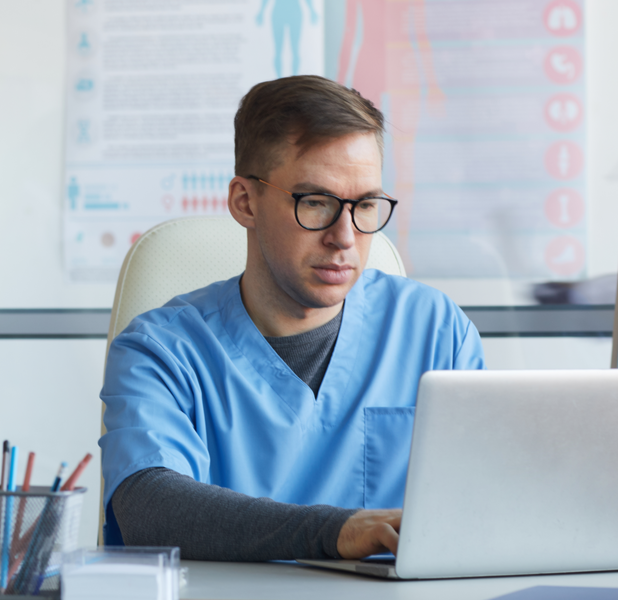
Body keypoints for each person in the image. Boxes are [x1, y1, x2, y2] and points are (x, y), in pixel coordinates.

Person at [99, 75, 484, 561]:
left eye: (365, 204)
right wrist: (335, 532)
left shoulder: (435, 330)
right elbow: (150, 509)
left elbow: (482, 501)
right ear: (245, 202)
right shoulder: (161, 350)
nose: (345, 236)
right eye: (316, 202)